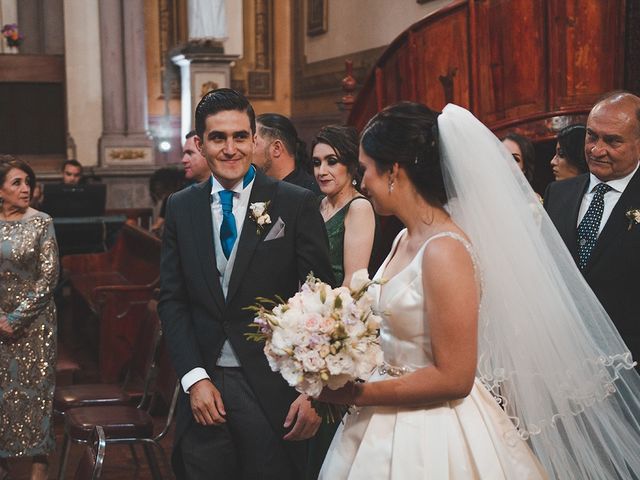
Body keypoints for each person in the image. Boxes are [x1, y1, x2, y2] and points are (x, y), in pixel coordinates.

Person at [317, 102, 640, 479]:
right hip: (379, 421)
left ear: (394, 171)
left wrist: (354, 394)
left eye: (365, 169)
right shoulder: (406, 237)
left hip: (433, 432)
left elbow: (455, 377)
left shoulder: (445, 250)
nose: (362, 182)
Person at [158, 88, 335, 480]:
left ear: (255, 140)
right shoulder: (180, 207)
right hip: (206, 389)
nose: (230, 148)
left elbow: (322, 300)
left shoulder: (295, 203)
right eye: (218, 138)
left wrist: (314, 393)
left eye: (240, 136)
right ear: (201, 145)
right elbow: (172, 300)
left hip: (274, 390)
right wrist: (194, 377)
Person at [544, 91, 640, 368]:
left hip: (629, 367)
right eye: (591, 136)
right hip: (563, 364)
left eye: (612, 141)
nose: (596, 149)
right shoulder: (558, 194)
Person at [0, 155, 59, 480]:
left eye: (28, 182)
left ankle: (40, 464)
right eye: (16, 183)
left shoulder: (41, 222)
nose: (26, 189)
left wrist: (16, 318)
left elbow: (48, 278)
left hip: (35, 327)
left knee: (36, 393)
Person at [312, 125, 377, 286]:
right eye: (316, 163)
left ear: (351, 166)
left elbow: (354, 282)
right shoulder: (316, 203)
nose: (321, 171)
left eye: (331, 162)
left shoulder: (359, 207)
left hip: (339, 307)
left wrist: (324, 310)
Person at [255, 113, 321, 195]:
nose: (247, 150)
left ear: (276, 148)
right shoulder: (255, 188)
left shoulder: (311, 193)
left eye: (253, 143)